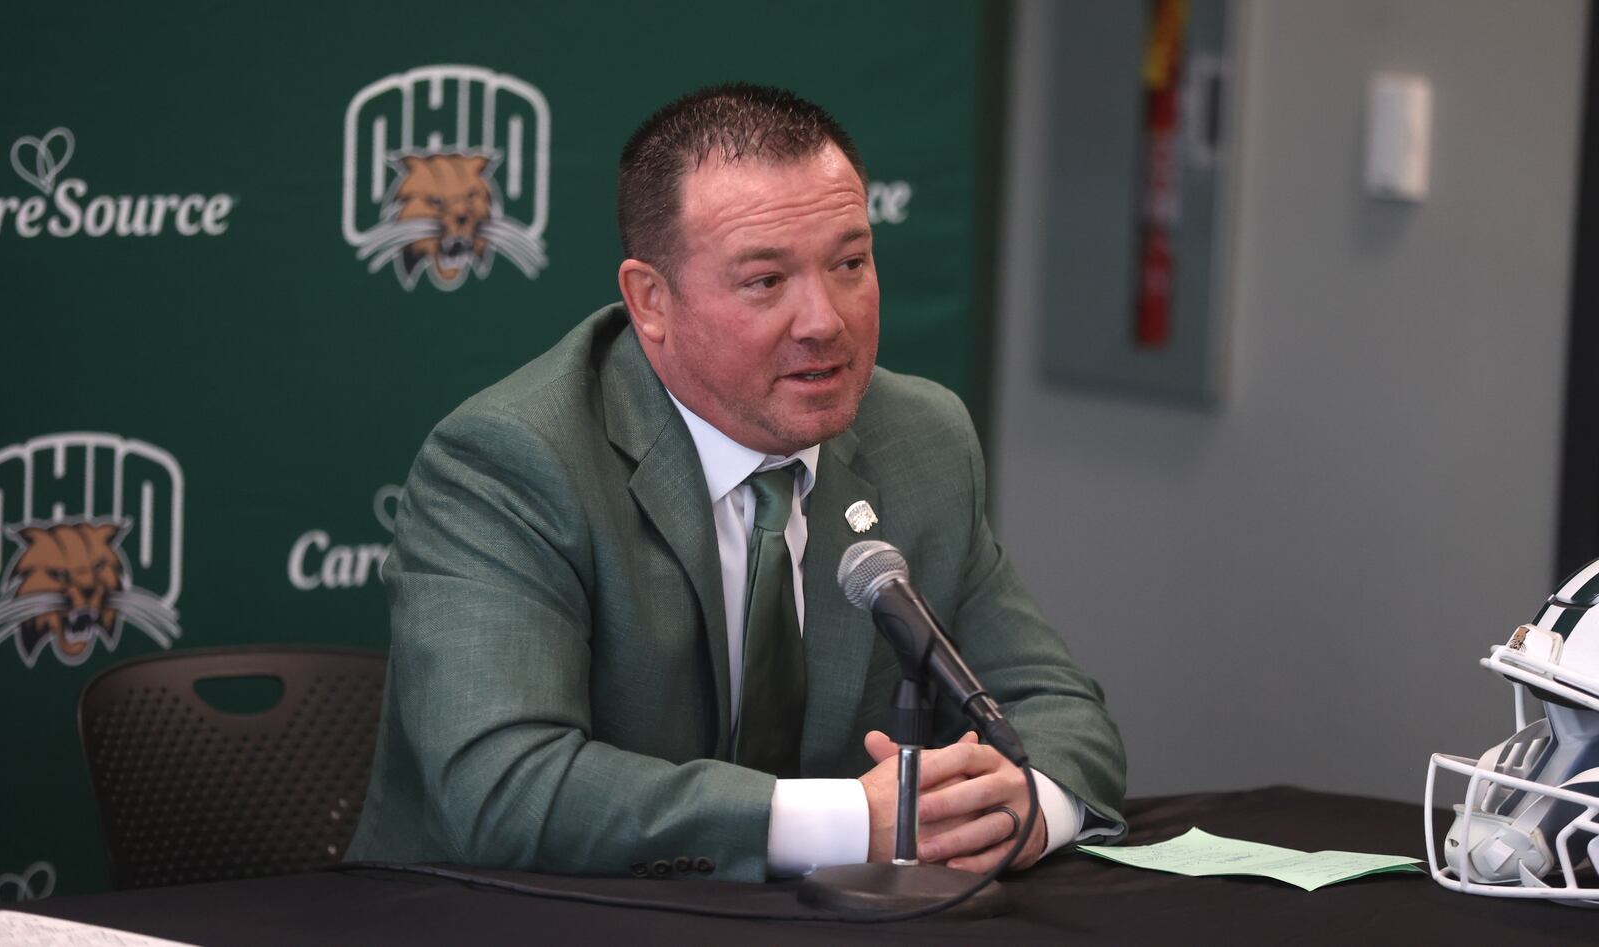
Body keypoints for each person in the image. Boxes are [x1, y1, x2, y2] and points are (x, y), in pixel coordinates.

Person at [348, 84, 1126, 882]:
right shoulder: (512, 460)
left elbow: (1059, 712)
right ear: (651, 301)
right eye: (765, 282)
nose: (825, 319)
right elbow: (504, 790)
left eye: (851, 263)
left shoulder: (922, 438)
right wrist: (853, 820)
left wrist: (1021, 807)